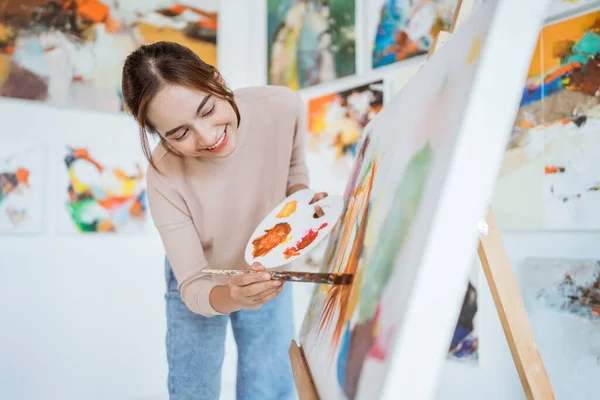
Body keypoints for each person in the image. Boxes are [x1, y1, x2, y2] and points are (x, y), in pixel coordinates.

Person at [121, 41, 327, 400]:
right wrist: (230, 296)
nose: (208, 136)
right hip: (201, 277)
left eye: (207, 109)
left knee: (271, 388)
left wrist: (303, 203)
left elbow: (294, 167)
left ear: (216, 80)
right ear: (160, 135)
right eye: (179, 134)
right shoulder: (164, 175)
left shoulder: (283, 106)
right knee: (193, 391)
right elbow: (193, 286)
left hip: (269, 267)